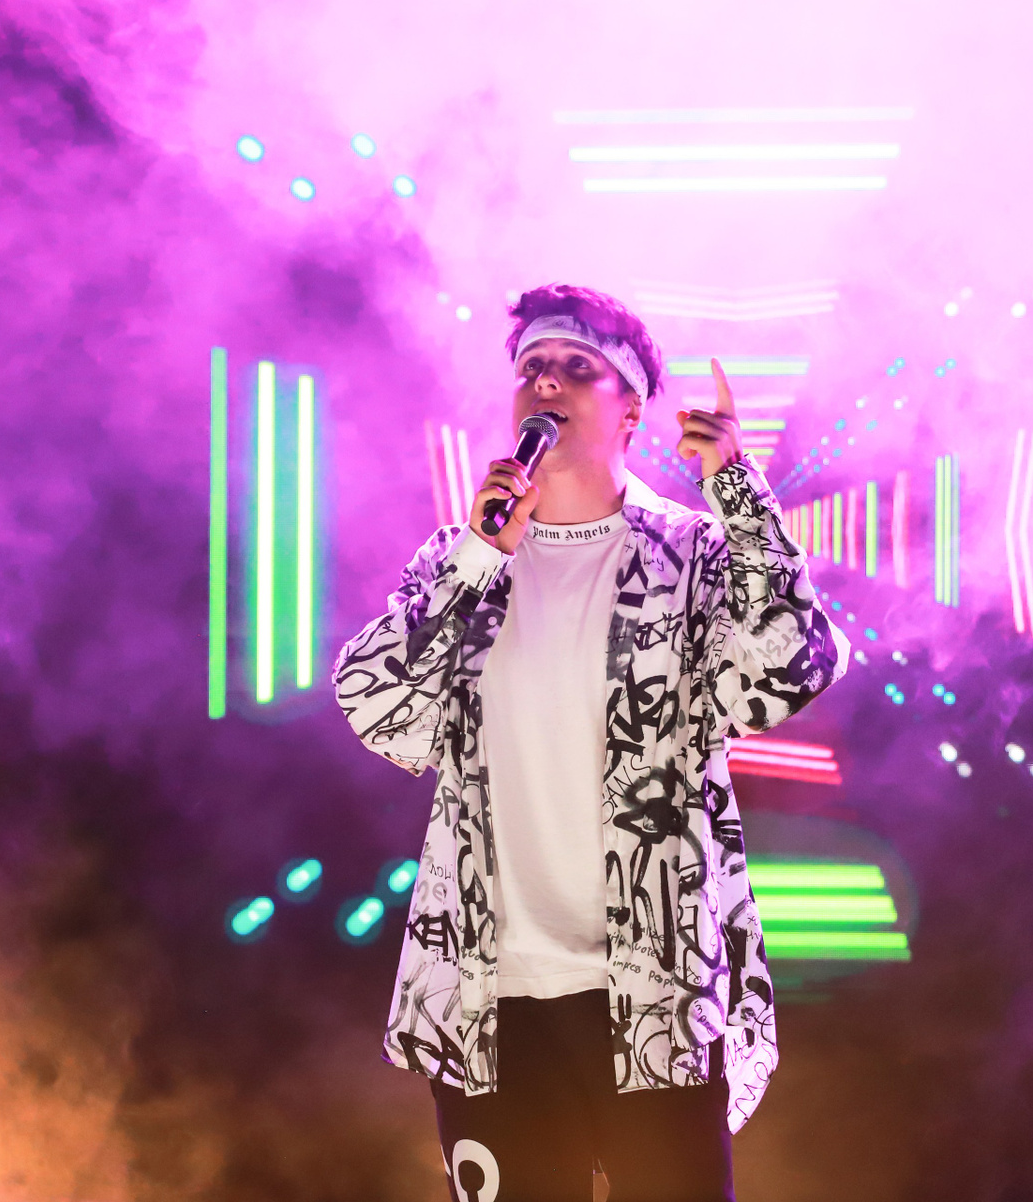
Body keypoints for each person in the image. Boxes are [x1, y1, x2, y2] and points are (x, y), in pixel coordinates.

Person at [334, 284, 847, 1201]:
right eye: (531, 367)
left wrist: (736, 487)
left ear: (632, 410)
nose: (547, 383)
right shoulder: (463, 560)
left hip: (654, 992)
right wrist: (478, 558)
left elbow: (794, 663)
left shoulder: (691, 557)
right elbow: (374, 703)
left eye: (577, 367)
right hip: (490, 1003)